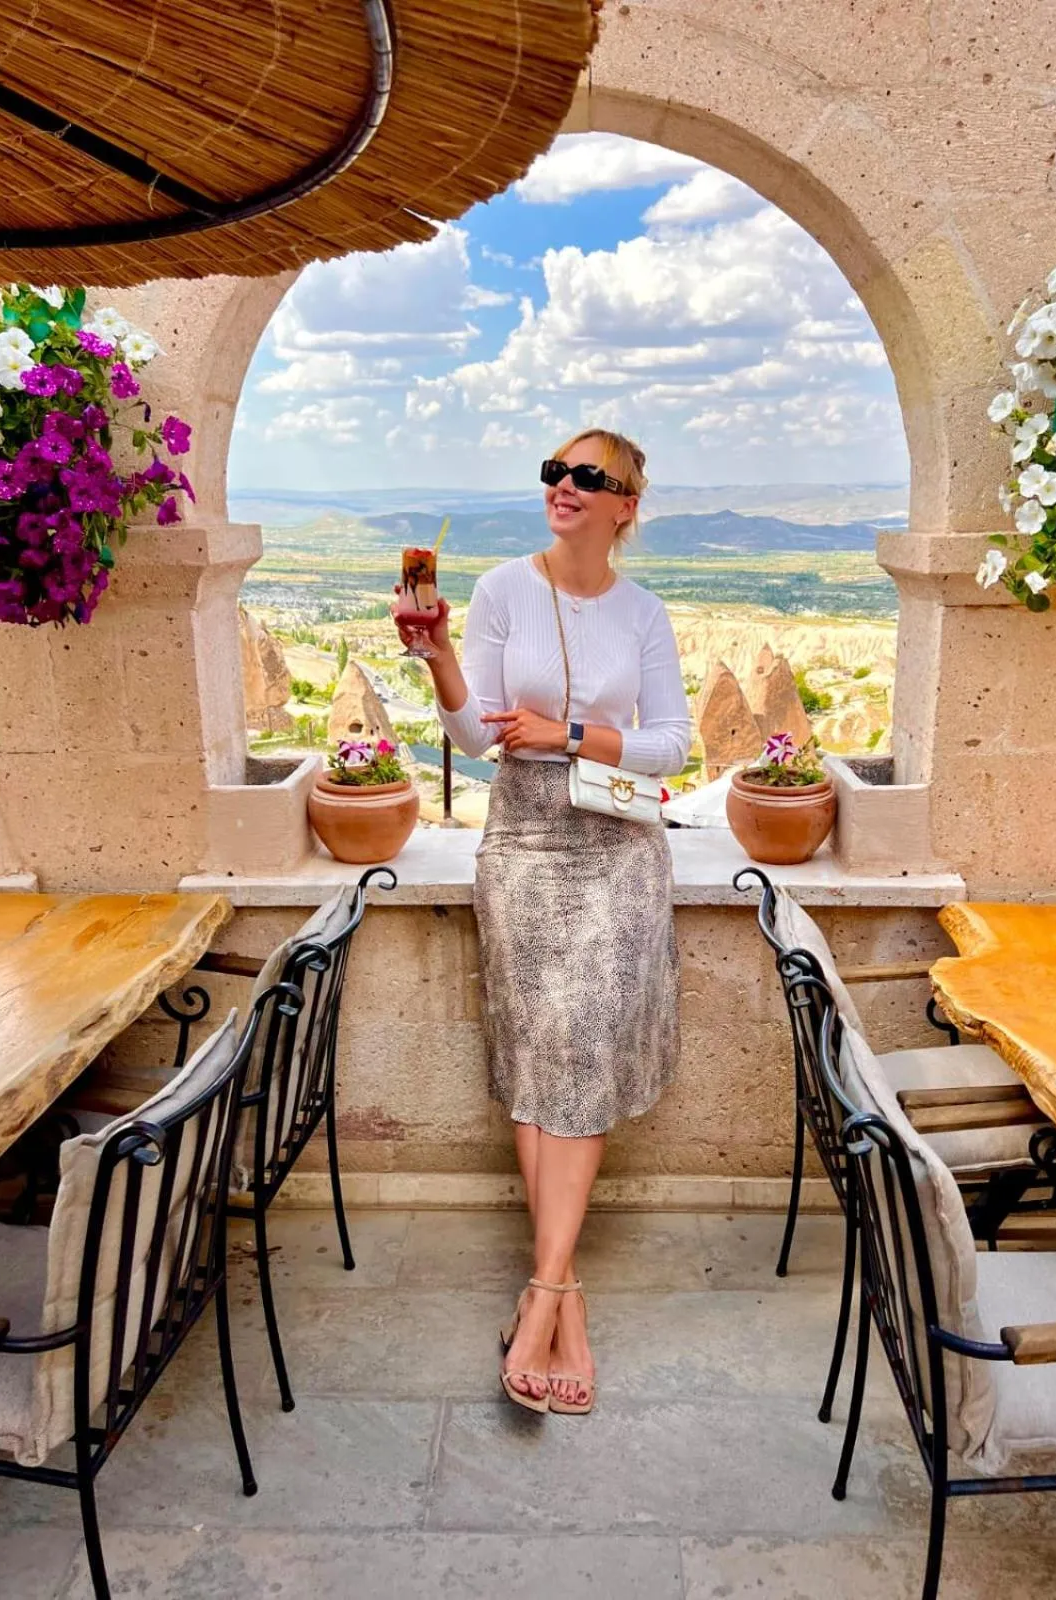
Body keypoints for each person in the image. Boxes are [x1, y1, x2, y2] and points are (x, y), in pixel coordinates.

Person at [392, 429, 691, 1415]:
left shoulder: (643, 614)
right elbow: (477, 732)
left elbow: (669, 746)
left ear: (626, 506)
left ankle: (546, 1290)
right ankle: (558, 1290)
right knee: (539, 1056)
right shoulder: (500, 591)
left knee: (578, 1056)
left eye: (588, 477)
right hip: (522, 845)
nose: (564, 486)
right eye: (554, 472)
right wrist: (436, 655)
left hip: (615, 853)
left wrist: (570, 733)